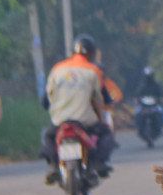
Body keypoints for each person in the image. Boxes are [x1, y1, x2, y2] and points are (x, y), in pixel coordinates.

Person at [43, 34, 117, 180]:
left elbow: (47, 99)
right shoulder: (93, 71)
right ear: (91, 52)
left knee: (48, 136)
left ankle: (53, 166)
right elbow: (99, 99)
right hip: (84, 122)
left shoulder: (57, 69)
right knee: (106, 134)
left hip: (61, 121)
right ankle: (99, 163)